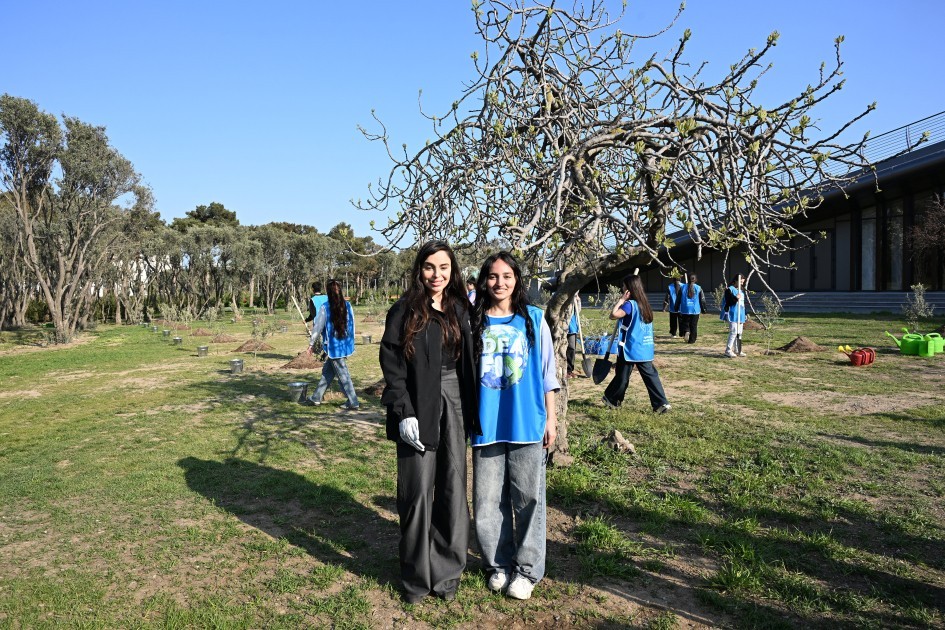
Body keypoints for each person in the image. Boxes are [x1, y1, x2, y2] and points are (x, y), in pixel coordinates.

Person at [379, 241, 481, 604]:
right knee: (417, 492)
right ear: (418, 270)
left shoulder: (460, 309)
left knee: (453, 486)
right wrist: (402, 410)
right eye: (429, 267)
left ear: (453, 271)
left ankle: (447, 572)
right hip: (418, 403)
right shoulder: (404, 310)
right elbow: (392, 365)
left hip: (455, 400)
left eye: (444, 268)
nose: (436, 275)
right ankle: (416, 578)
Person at [471, 252, 559, 601]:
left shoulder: (534, 319)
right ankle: (497, 565)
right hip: (486, 425)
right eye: (493, 276)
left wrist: (551, 419)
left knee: (528, 500)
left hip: (527, 423)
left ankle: (526, 570)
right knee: (487, 502)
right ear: (484, 280)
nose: (500, 283)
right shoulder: (473, 321)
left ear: (517, 280)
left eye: (507, 275)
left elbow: (548, 373)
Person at [601, 274, 671, 413]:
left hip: (630, 348)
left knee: (622, 376)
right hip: (645, 347)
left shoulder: (629, 305)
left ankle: (611, 399)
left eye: (623, 286)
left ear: (629, 288)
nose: (622, 288)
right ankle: (661, 403)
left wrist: (621, 300)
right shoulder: (645, 304)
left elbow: (613, 315)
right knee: (650, 376)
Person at [305, 280, 359, 409]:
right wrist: (351, 341)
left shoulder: (325, 307)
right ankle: (316, 397)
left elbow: (318, 327)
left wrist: (311, 344)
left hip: (334, 347)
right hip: (344, 345)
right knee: (327, 372)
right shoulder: (348, 305)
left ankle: (353, 401)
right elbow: (353, 325)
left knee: (343, 375)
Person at [677, 273, 708, 344]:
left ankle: (687, 331)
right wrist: (704, 309)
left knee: (685, 323)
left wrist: (676, 307)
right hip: (695, 309)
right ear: (696, 279)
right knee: (693, 325)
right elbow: (702, 300)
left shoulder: (682, 287)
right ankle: (692, 340)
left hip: (685, 309)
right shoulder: (698, 288)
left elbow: (678, 299)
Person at [722, 274, 748, 358]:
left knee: (739, 333)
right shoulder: (729, 290)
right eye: (740, 281)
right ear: (736, 281)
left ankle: (738, 350)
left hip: (740, 314)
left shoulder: (741, 291)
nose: (742, 283)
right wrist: (736, 298)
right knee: (733, 332)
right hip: (732, 314)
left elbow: (743, 304)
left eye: (743, 282)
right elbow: (728, 302)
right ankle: (728, 350)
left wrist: (745, 314)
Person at [566, 293, 582, 377]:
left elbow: (578, 311)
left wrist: (578, 300)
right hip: (564, 327)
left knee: (572, 348)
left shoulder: (575, 298)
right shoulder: (564, 297)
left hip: (573, 328)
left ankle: (569, 369)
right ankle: (562, 369)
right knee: (562, 349)